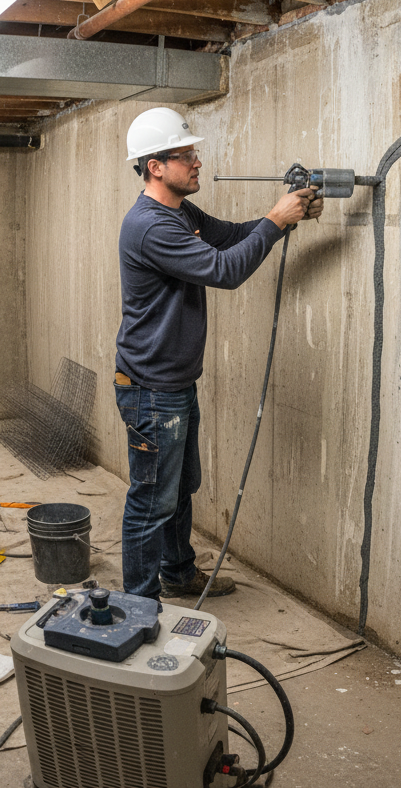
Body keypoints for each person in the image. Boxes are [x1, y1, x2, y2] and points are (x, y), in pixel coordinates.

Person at [114, 106, 323, 601]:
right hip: (150, 390)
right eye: (185, 155)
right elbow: (225, 270)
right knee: (151, 501)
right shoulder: (149, 226)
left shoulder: (181, 213)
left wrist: (285, 218)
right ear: (154, 166)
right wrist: (276, 220)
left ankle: (178, 573)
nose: (197, 162)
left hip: (174, 382)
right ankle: (140, 607)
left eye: (194, 153)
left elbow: (231, 236)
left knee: (179, 489)